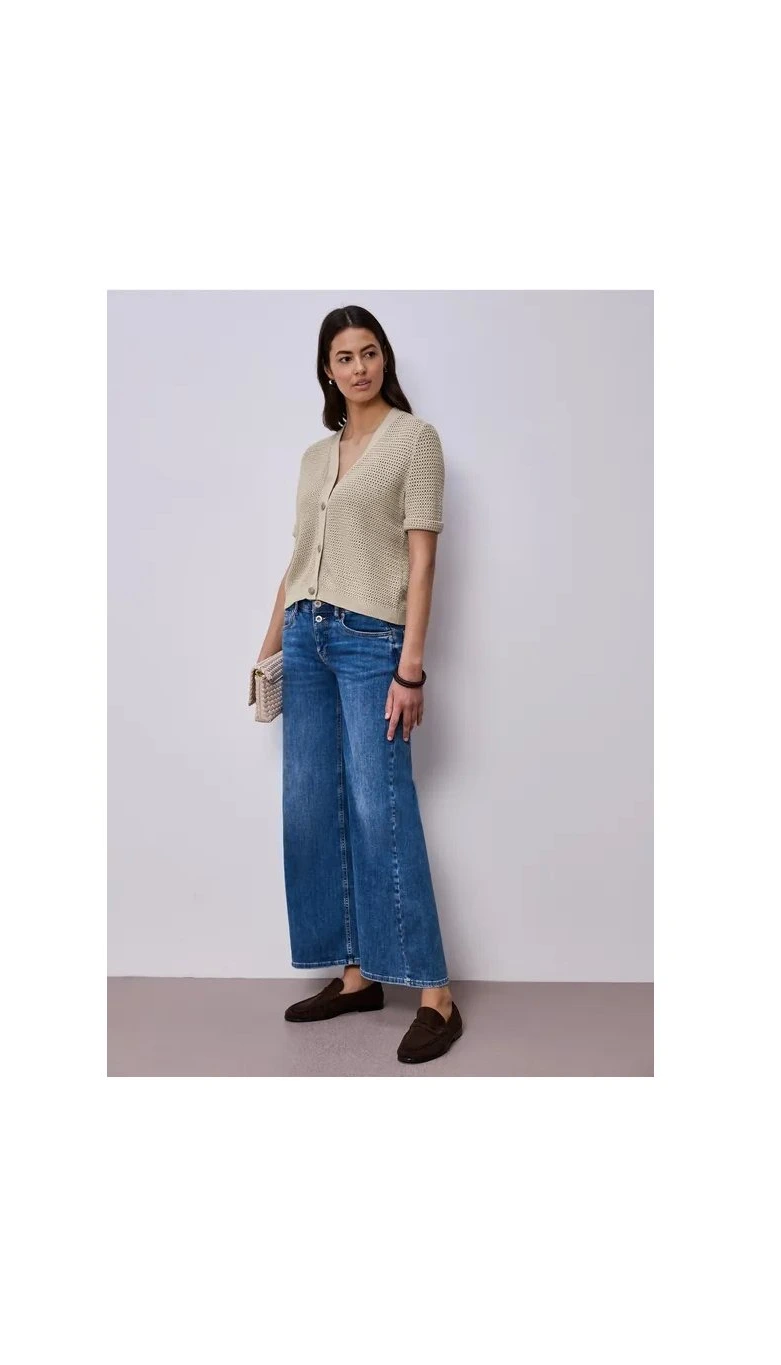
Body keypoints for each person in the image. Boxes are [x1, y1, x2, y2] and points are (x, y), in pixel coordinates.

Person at [255, 305, 463, 1064]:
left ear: (385, 359)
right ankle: (355, 976)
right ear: (328, 371)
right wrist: (267, 650)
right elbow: (297, 559)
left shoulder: (416, 440)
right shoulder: (316, 456)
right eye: (344, 357)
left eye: (369, 352)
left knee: (382, 809)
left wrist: (411, 668)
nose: (359, 367)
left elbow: (423, 560)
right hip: (305, 637)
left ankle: (436, 994)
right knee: (311, 806)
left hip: (373, 643)